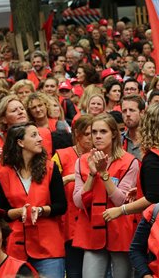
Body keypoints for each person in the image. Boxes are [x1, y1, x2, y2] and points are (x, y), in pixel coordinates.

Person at [0, 123, 66, 276]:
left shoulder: (50, 168)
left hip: (48, 245)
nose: (40, 139)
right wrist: (20, 212)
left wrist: (40, 210)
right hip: (16, 246)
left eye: (39, 134)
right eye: (34, 135)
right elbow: (1, 211)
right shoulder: (2, 172)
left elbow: (61, 205)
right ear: (20, 142)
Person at [72, 113, 139, 276]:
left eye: (103, 132)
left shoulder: (129, 161)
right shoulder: (82, 161)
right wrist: (92, 174)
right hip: (92, 231)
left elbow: (121, 201)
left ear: (114, 134)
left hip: (120, 231)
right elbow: (78, 202)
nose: (97, 136)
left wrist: (103, 174)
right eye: (94, 132)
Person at [52, 114, 93, 278]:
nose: (92, 138)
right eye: (88, 134)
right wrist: (70, 178)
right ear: (77, 134)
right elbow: (49, 186)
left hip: (95, 225)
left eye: (96, 133)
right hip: (70, 225)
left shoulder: (103, 156)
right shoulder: (62, 156)